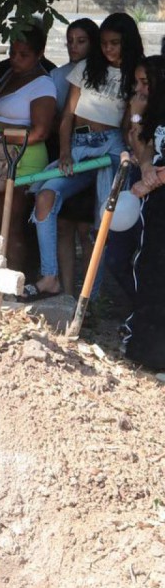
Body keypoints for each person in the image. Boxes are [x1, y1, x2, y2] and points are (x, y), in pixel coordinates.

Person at [25, 13, 141, 299]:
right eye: (103, 43)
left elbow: (131, 121)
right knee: (45, 197)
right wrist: (64, 153)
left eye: (115, 43)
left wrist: (134, 149)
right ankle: (49, 276)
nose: (109, 49)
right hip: (78, 144)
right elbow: (66, 116)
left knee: (103, 222)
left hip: (112, 147)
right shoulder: (87, 68)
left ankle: (91, 298)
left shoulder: (135, 73)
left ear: (127, 42)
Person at [0, 26, 56, 275]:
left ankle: (13, 284)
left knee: (11, 227)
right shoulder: (6, 74)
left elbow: (40, 132)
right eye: (12, 52)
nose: (15, 59)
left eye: (23, 54)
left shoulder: (43, 85)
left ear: (39, 54)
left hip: (21, 158)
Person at [46, 18, 101, 296]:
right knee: (64, 225)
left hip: (96, 153)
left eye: (81, 41)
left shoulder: (104, 75)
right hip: (65, 151)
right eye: (70, 41)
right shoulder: (59, 76)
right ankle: (67, 292)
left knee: (86, 229)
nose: (73, 47)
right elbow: (57, 117)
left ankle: (90, 296)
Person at [123, 55, 165, 370]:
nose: (139, 89)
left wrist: (153, 180)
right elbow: (143, 148)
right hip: (156, 204)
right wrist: (136, 116)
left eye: (145, 83)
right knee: (150, 269)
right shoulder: (153, 111)